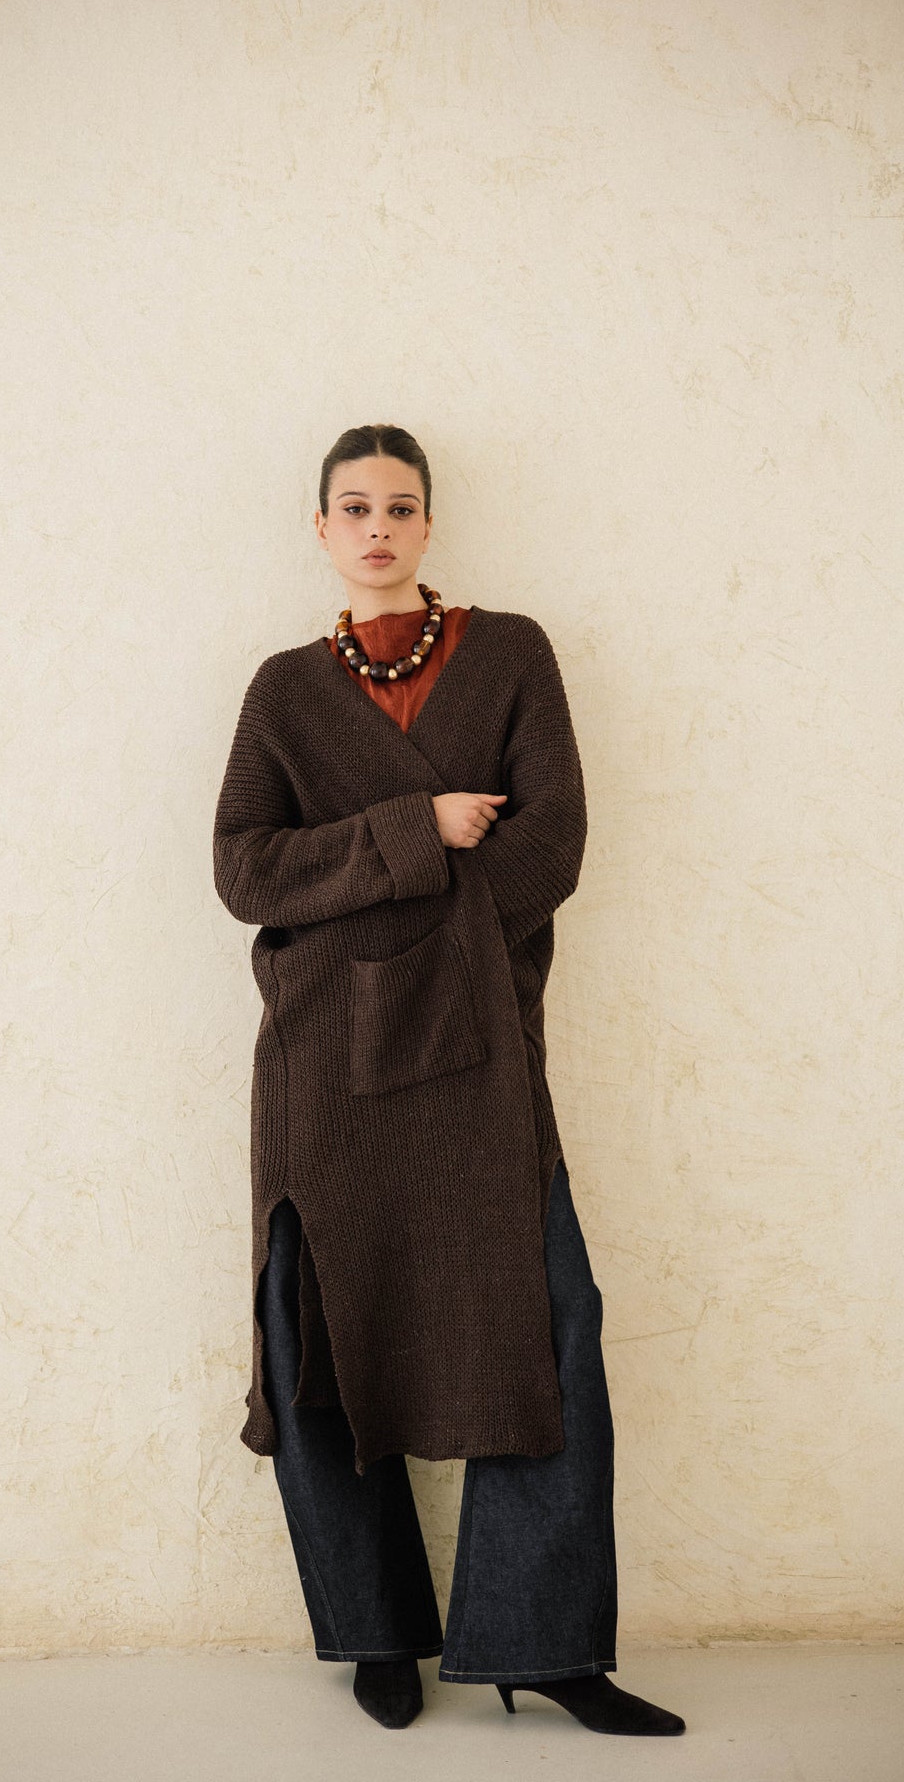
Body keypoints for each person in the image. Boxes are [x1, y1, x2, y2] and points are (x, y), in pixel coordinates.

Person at [212, 423, 685, 1737]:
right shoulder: (282, 694)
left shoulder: (513, 654)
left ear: (430, 524)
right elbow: (245, 870)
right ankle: (376, 1634)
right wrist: (411, 830)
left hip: (478, 1048)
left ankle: (548, 1645)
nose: (378, 528)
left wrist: (409, 937)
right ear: (320, 529)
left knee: (548, 1325)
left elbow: (555, 840)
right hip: (324, 1066)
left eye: (401, 507)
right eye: (354, 507)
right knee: (318, 1338)